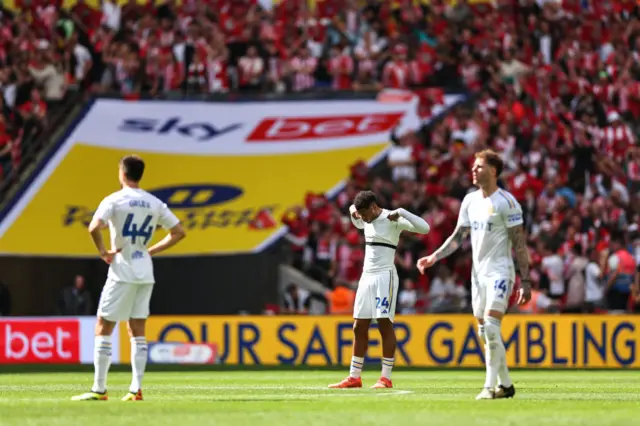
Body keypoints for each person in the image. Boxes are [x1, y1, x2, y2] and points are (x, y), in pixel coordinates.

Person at [416, 149, 531, 400]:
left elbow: (520, 245)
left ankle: (489, 388)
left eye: (478, 167)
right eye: (473, 167)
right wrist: (434, 256)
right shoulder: (469, 201)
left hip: (500, 272)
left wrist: (526, 281)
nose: (473, 171)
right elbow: (458, 236)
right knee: (484, 331)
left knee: (491, 326)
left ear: (492, 171)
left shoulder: (507, 203)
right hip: (477, 275)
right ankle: (507, 385)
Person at [72, 155, 186, 402]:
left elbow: (94, 227)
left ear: (122, 174)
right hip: (145, 271)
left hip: (122, 269)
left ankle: (99, 389)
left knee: (104, 324)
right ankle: (136, 389)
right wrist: (151, 250)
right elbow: (179, 232)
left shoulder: (115, 199)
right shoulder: (154, 202)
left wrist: (103, 252)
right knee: (137, 329)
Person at [329, 190, 430, 389]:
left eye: (365, 214)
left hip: (386, 276)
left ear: (374, 207)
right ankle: (354, 377)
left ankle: (385, 378)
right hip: (366, 277)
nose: (364, 219)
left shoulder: (393, 219)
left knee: (384, 324)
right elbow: (353, 212)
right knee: (359, 326)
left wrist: (402, 212)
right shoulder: (365, 219)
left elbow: (425, 228)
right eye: (362, 215)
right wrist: (354, 210)